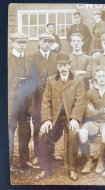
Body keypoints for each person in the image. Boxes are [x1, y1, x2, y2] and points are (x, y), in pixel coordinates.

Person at [35, 53, 85, 181]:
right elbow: (46, 101)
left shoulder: (78, 80)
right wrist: (47, 120)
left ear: (69, 65)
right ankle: (45, 169)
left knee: (73, 134)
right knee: (43, 134)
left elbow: (80, 101)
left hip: (70, 117)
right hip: (55, 118)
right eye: (60, 65)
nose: (63, 68)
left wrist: (75, 118)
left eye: (65, 65)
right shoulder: (51, 80)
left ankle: (72, 168)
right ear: (57, 67)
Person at [79, 65, 105, 174]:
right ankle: (88, 160)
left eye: (104, 76)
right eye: (99, 76)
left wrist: (96, 113)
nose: (101, 78)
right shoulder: (89, 93)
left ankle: (101, 160)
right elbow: (88, 114)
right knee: (82, 133)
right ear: (95, 77)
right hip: (93, 123)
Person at [8, 32, 35, 171]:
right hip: (11, 102)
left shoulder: (29, 61)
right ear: (13, 43)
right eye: (19, 43)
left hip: (25, 102)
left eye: (23, 43)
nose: (21, 45)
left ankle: (25, 161)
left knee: (25, 132)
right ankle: (8, 163)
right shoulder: (7, 59)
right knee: (9, 132)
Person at [31, 33, 59, 164]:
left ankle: (50, 152)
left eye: (49, 42)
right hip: (37, 97)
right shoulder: (33, 58)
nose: (47, 44)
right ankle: (37, 154)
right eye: (44, 41)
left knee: (51, 124)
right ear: (40, 42)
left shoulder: (55, 57)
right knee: (38, 125)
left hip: (52, 97)